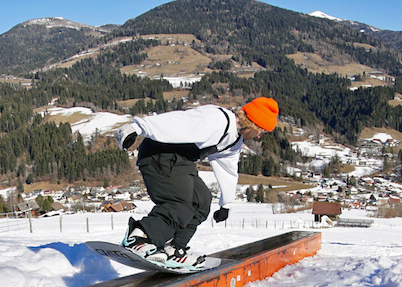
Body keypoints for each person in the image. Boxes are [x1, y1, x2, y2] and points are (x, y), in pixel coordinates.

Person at [114, 97, 279, 268]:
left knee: (201, 200)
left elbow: (228, 169)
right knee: (179, 202)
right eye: (261, 130)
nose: (259, 136)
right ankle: (138, 237)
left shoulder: (234, 140)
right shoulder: (217, 120)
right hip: (158, 154)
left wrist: (226, 204)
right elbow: (177, 121)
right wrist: (136, 128)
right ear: (252, 124)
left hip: (181, 160)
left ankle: (173, 248)